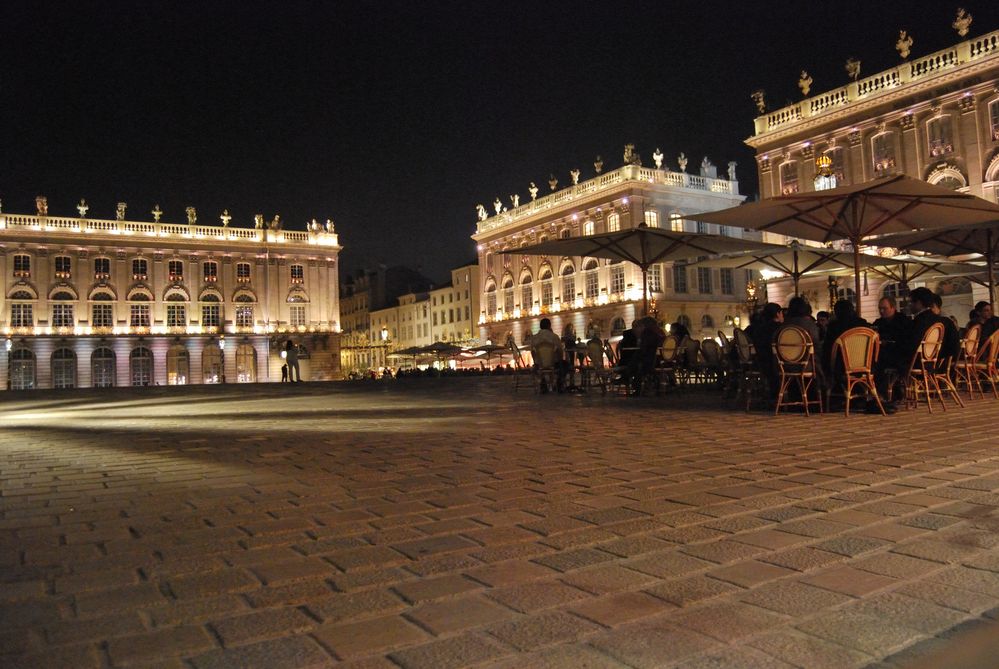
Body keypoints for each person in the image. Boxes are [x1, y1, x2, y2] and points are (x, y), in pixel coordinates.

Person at [530, 318, 567, 392]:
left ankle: (543, 382)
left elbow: (532, 352)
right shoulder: (554, 337)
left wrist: (535, 362)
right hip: (553, 363)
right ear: (549, 326)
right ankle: (559, 383)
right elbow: (560, 350)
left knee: (540, 367)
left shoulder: (534, 338)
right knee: (566, 365)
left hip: (539, 364)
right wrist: (560, 359)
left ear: (540, 326)